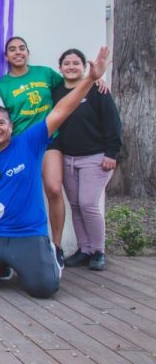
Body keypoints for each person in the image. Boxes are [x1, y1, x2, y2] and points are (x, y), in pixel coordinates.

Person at [0, 47, 109, 298]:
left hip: (28, 234)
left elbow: (61, 110)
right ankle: (3, 264)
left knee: (44, 288)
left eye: (1, 123)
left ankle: (48, 255)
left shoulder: (29, 142)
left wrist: (90, 78)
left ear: (11, 127)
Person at [0, 36, 67, 265]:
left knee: (54, 189)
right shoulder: (2, 85)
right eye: (12, 50)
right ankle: (18, 246)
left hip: (48, 140)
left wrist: (94, 81)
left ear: (28, 52)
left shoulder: (45, 74)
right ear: (6, 57)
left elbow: (70, 87)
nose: (17, 52)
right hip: (20, 146)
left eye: (21, 48)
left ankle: (56, 246)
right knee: (20, 195)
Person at [52, 49, 122, 271]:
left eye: (76, 63)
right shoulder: (56, 92)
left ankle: (99, 250)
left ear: (84, 67)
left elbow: (112, 122)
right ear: (60, 67)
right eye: (66, 63)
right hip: (67, 158)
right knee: (75, 205)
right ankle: (84, 250)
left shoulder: (97, 89)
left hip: (95, 157)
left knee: (89, 204)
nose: (71, 67)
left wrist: (112, 153)